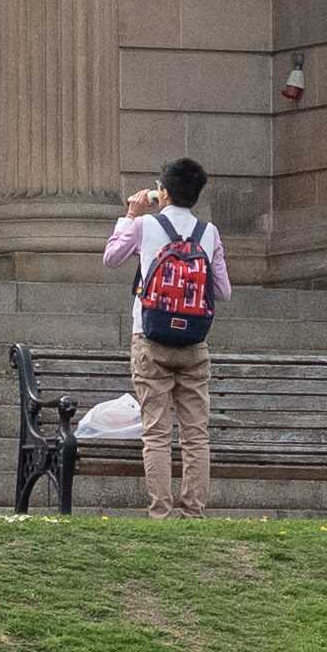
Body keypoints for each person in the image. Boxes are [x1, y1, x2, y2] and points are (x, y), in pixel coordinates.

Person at [96, 159, 229, 518]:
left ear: (164, 192)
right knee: (195, 434)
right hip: (194, 343)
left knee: (156, 432)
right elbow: (224, 290)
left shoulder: (144, 225)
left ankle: (160, 512)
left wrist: (129, 214)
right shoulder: (209, 232)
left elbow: (111, 258)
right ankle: (193, 512)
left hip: (150, 335)